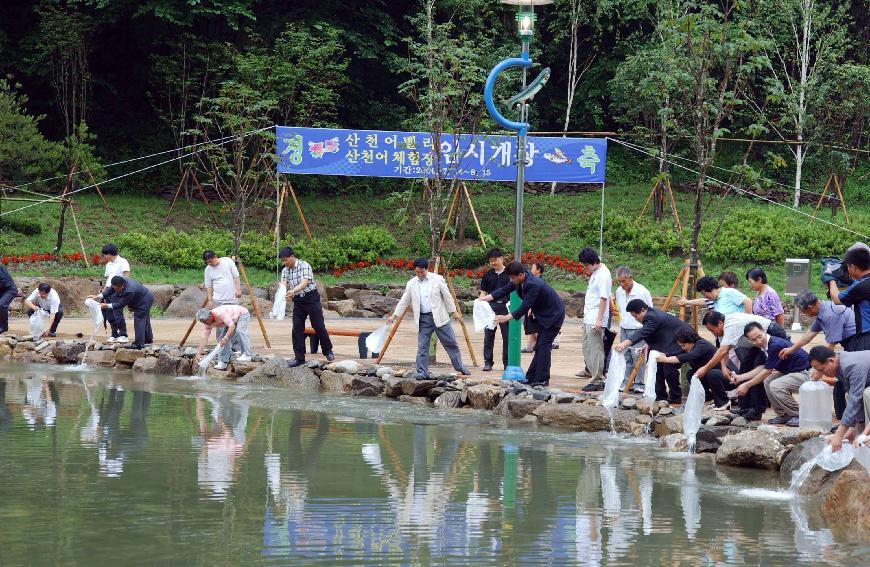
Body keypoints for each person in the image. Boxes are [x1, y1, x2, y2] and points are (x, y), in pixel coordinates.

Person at [479, 261, 565, 387]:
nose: (511, 280)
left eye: (512, 278)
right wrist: (487, 298)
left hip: (554, 316)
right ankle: (531, 378)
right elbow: (505, 289)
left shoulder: (532, 284)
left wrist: (507, 317)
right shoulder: (520, 280)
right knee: (539, 347)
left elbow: (525, 306)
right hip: (544, 316)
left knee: (544, 346)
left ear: (520, 275)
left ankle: (542, 380)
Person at [696, 311, 790, 420]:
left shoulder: (730, 325)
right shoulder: (723, 331)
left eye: (712, 330)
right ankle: (745, 407)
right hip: (753, 345)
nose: (713, 333)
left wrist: (705, 368)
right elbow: (724, 350)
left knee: (759, 373)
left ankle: (757, 410)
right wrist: (724, 367)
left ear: (720, 323)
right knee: (745, 366)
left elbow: (722, 351)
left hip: (770, 334)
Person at [388, 258, 470, 379]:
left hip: (440, 317)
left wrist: (454, 312)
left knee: (451, 343)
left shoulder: (438, 279)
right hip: (423, 318)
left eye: (422, 272)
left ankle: (460, 368)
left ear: (427, 269)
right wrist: (394, 315)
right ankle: (422, 372)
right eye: (417, 272)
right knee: (422, 346)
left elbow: (447, 297)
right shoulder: (412, 283)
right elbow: (404, 300)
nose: (420, 274)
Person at [789, 290, 857, 420]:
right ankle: (844, 418)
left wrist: (818, 369)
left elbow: (830, 346)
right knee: (842, 382)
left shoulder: (830, 313)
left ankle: (849, 419)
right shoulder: (822, 311)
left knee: (847, 381)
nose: (804, 314)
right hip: (850, 343)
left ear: (809, 307)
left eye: (803, 311)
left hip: (857, 343)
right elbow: (809, 334)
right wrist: (791, 349)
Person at [615, 299, 692, 404]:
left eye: (635, 316)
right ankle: (660, 396)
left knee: (669, 367)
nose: (636, 319)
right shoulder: (650, 314)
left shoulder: (652, 316)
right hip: (668, 343)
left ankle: (675, 398)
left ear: (642, 310)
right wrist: (647, 345)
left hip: (682, 342)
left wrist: (624, 343)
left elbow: (643, 332)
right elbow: (652, 331)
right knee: (656, 367)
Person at [737, 322, 811, 427]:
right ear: (749, 340)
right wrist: (740, 377)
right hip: (793, 372)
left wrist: (747, 385)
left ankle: (799, 414)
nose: (758, 341)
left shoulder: (775, 344)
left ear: (764, 331)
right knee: (768, 381)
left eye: (759, 336)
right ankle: (783, 414)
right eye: (754, 340)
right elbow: (762, 368)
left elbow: (767, 371)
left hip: (807, 373)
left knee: (776, 385)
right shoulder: (764, 346)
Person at [279, 246, 334, 367]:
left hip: (311, 297)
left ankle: (328, 350)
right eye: (282, 261)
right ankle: (299, 358)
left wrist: (293, 291)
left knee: (318, 326)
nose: (284, 263)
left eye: (285, 260)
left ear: (292, 257)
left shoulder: (304, 265)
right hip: (298, 300)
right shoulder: (285, 270)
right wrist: (284, 294)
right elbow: (283, 284)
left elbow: (304, 283)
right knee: (297, 328)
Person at [808, 346, 870, 452]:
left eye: (821, 370)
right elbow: (853, 398)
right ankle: (860, 438)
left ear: (830, 361)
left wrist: (839, 434)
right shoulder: (839, 362)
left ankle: (866, 439)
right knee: (848, 396)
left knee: (867, 394)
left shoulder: (852, 365)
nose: (822, 374)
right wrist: (851, 430)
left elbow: (855, 400)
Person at [657, 327, 733, 410]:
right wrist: (663, 355)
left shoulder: (701, 345)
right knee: (691, 374)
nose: (683, 348)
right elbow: (676, 354)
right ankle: (708, 398)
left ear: (690, 341)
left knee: (712, 373)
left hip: (729, 378)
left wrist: (666, 359)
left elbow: (688, 356)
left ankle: (723, 402)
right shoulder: (690, 347)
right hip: (712, 377)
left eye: (683, 345)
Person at [614, 266, 653, 392]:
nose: (622, 284)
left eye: (624, 281)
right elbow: (620, 309)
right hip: (625, 327)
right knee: (626, 357)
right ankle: (627, 382)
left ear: (630, 278)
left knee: (638, 357)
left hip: (638, 329)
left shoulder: (642, 291)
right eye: (619, 281)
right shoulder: (619, 291)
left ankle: (639, 383)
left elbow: (650, 311)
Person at [578, 248, 611, 387]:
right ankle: (593, 374)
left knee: (596, 348)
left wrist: (599, 320)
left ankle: (597, 379)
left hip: (595, 318)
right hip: (588, 317)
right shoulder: (595, 272)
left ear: (593, 263)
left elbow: (603, 298)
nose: (585, 268)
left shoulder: (603, 274)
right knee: (586, 347)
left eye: (586, 265)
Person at [94, 276, 154, 348]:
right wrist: (99, 296)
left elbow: (120, 304)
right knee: (145, 319)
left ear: (122, 286)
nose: (115, 290)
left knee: (139, 319)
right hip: (142, 296)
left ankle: (139, 344)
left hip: (145, 300)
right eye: (114, 287)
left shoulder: (129, 291)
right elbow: (111, 289)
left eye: (116, 288)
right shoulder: (120, 281)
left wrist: (106, 306)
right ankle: (148, 339)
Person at [829, 246, 870, 350]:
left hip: (867, 337)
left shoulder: (861, 285)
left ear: (853, 267)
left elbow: (836, 299)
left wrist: (831, 279)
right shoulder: (861, 284)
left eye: (847, 266)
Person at [194, 305, 252, 370]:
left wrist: (226, 337)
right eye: (202, 321)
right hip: (231, 320)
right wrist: (198, 354)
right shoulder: (207, 325)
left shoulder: (220, 313)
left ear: (210, 316)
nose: (204, 323)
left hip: (242, 314)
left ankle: (246, 354)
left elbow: (232, 326)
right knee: (222, 339)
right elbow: (204, 339)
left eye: (204, 321)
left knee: (240, 331)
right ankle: (223, 361)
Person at [479, 248, 509, 371]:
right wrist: (481, 304)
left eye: (495, 260)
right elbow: (483, 292)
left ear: (501, 258)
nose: (493, 263)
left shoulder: (509, 274)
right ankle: (488, 362)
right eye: (491, 261)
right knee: (488, 336)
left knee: (507, 336)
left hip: (505, 307)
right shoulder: (487, 275)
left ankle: (507, 363)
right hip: (490, 308)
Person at [523, 261, 560, 352]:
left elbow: (536, 298)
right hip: (536, 309)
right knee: (531, 326)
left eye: (533, 268)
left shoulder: (538, 282)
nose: (531, 270)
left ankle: (531, 346)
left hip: (538, 310)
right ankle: (533, 345)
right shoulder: (535, 280)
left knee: (534, 327)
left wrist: (531, 308)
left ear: (538, 270)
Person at [100, 244, 130, 343]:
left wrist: (122, 291)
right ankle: (114, 334)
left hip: (117, 291)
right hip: (109, 291)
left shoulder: (123, 262)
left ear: (109, 254)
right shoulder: (108, 265)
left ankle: (123, 335)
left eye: (105, 255)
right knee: (110, 315)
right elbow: (109, 279)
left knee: (118, 314)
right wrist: (104, 291)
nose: (104, 257)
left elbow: (126, 278)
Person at [680, 276, 752, 315]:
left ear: (709, 289)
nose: (704, 296)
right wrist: (687, 302)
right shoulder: (715, 299)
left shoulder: (728, 292)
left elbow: (748, 301)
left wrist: (747, 321)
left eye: (703, 293)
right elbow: (703, 301)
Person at [0, 263, 18, 335]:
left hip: (10, 289)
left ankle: (4, 327)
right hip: (2, 290)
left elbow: (3, 281)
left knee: (1, 305)